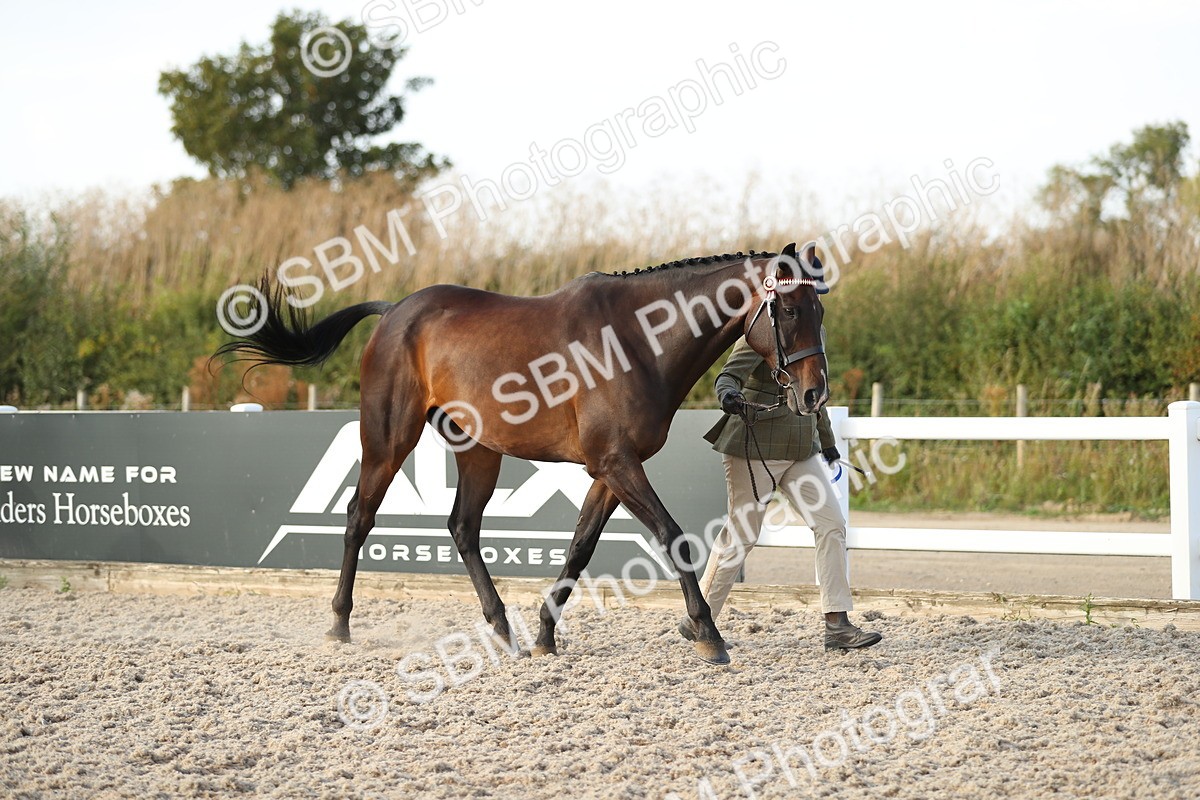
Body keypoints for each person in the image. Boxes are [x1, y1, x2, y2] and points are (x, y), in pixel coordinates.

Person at [678, 336, 882, 651]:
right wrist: (728, 394)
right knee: (742, 534)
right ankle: (700, 617)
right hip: (755, 445)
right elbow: (729, 376)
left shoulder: (815, 327)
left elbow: (815, 391)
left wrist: (827, 443)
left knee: (831, 523)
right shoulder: (761, 330)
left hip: (801, 448)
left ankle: (837, 624)